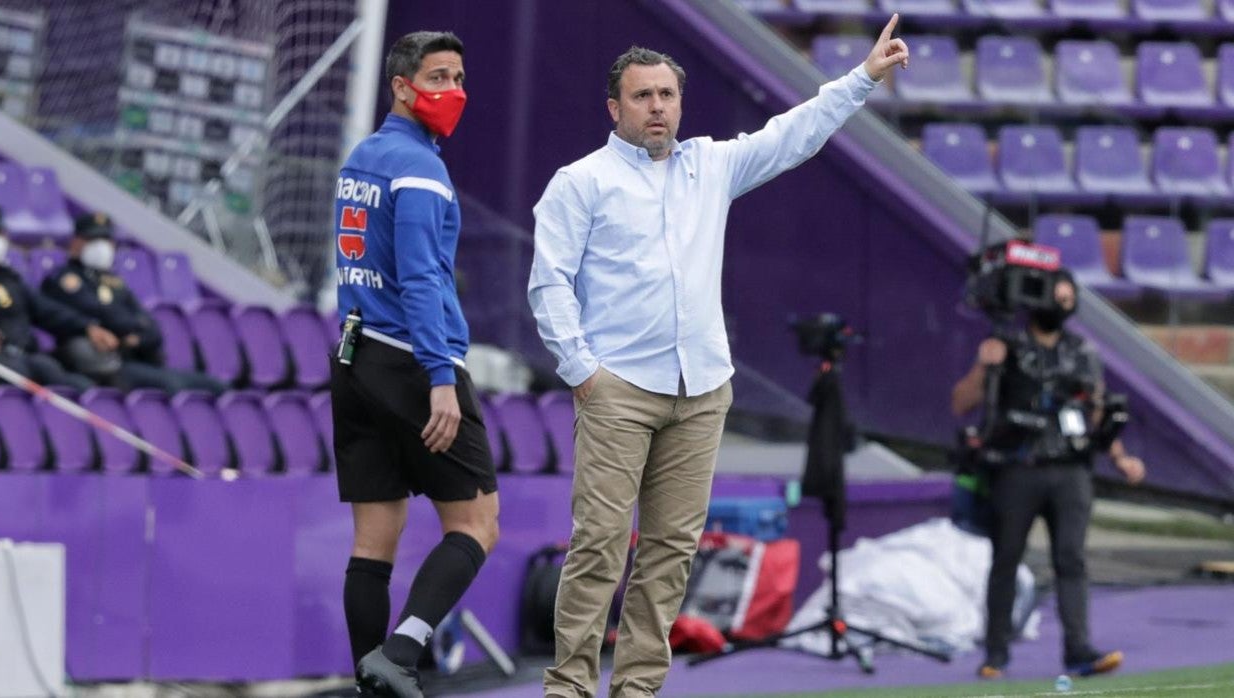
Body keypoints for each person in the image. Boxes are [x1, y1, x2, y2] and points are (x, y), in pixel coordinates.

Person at [528, 18, 909, 698]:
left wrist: (863, 78)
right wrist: (581, 369)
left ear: (681, 101)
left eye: (667, 95)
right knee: (599, 548)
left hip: (702, 387)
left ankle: (637, 689)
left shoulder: (709, 165)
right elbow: (548, 282)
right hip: (617, 387)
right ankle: (570, 690)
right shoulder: (579, 182)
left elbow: (791, 136)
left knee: (671, 555)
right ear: (614, 107)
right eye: (642, 96)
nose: (657, 107)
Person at [330, 31, 498, 698]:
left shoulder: (362, 158)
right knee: (477, 525)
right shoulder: (420, 169)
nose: (452, 91)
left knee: (374, 541)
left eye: (458, 77)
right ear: (401, 86)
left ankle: (376, 682)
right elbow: (423, 280)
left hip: (352, 355)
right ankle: (401, 652)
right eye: (437, 77)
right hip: (411, 360)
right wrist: (440, 378)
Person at [951, 271, 1147, 680]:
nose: (1061, 306)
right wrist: (985, 368)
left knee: (1071, 560)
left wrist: (1120, 456)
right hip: (1017, 469)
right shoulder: (1007, 347)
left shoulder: (1082, 352)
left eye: (1068, 299)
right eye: (1054, 298)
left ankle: (1079, 651)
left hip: (1071, 471)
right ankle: (995, 655)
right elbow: (961, 404)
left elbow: (1095, 415)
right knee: (1006, 559)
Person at [39, 212, 225, 395]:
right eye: (94, 239)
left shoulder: (114, 282)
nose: (103, 246)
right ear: (76, 242)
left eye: (107, 239)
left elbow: (153, 330)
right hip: (108, 366)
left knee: (216, 386)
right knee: (171, 386)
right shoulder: (64, 279)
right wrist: (132, 327)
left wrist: (134, 334)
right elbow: (102, 312)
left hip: (138, 360)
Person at [0, 203, 115, 392]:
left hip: (25, 355)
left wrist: (86, 326)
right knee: (20, 379)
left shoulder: (9, 279)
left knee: (79, 388)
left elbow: (48, 311)